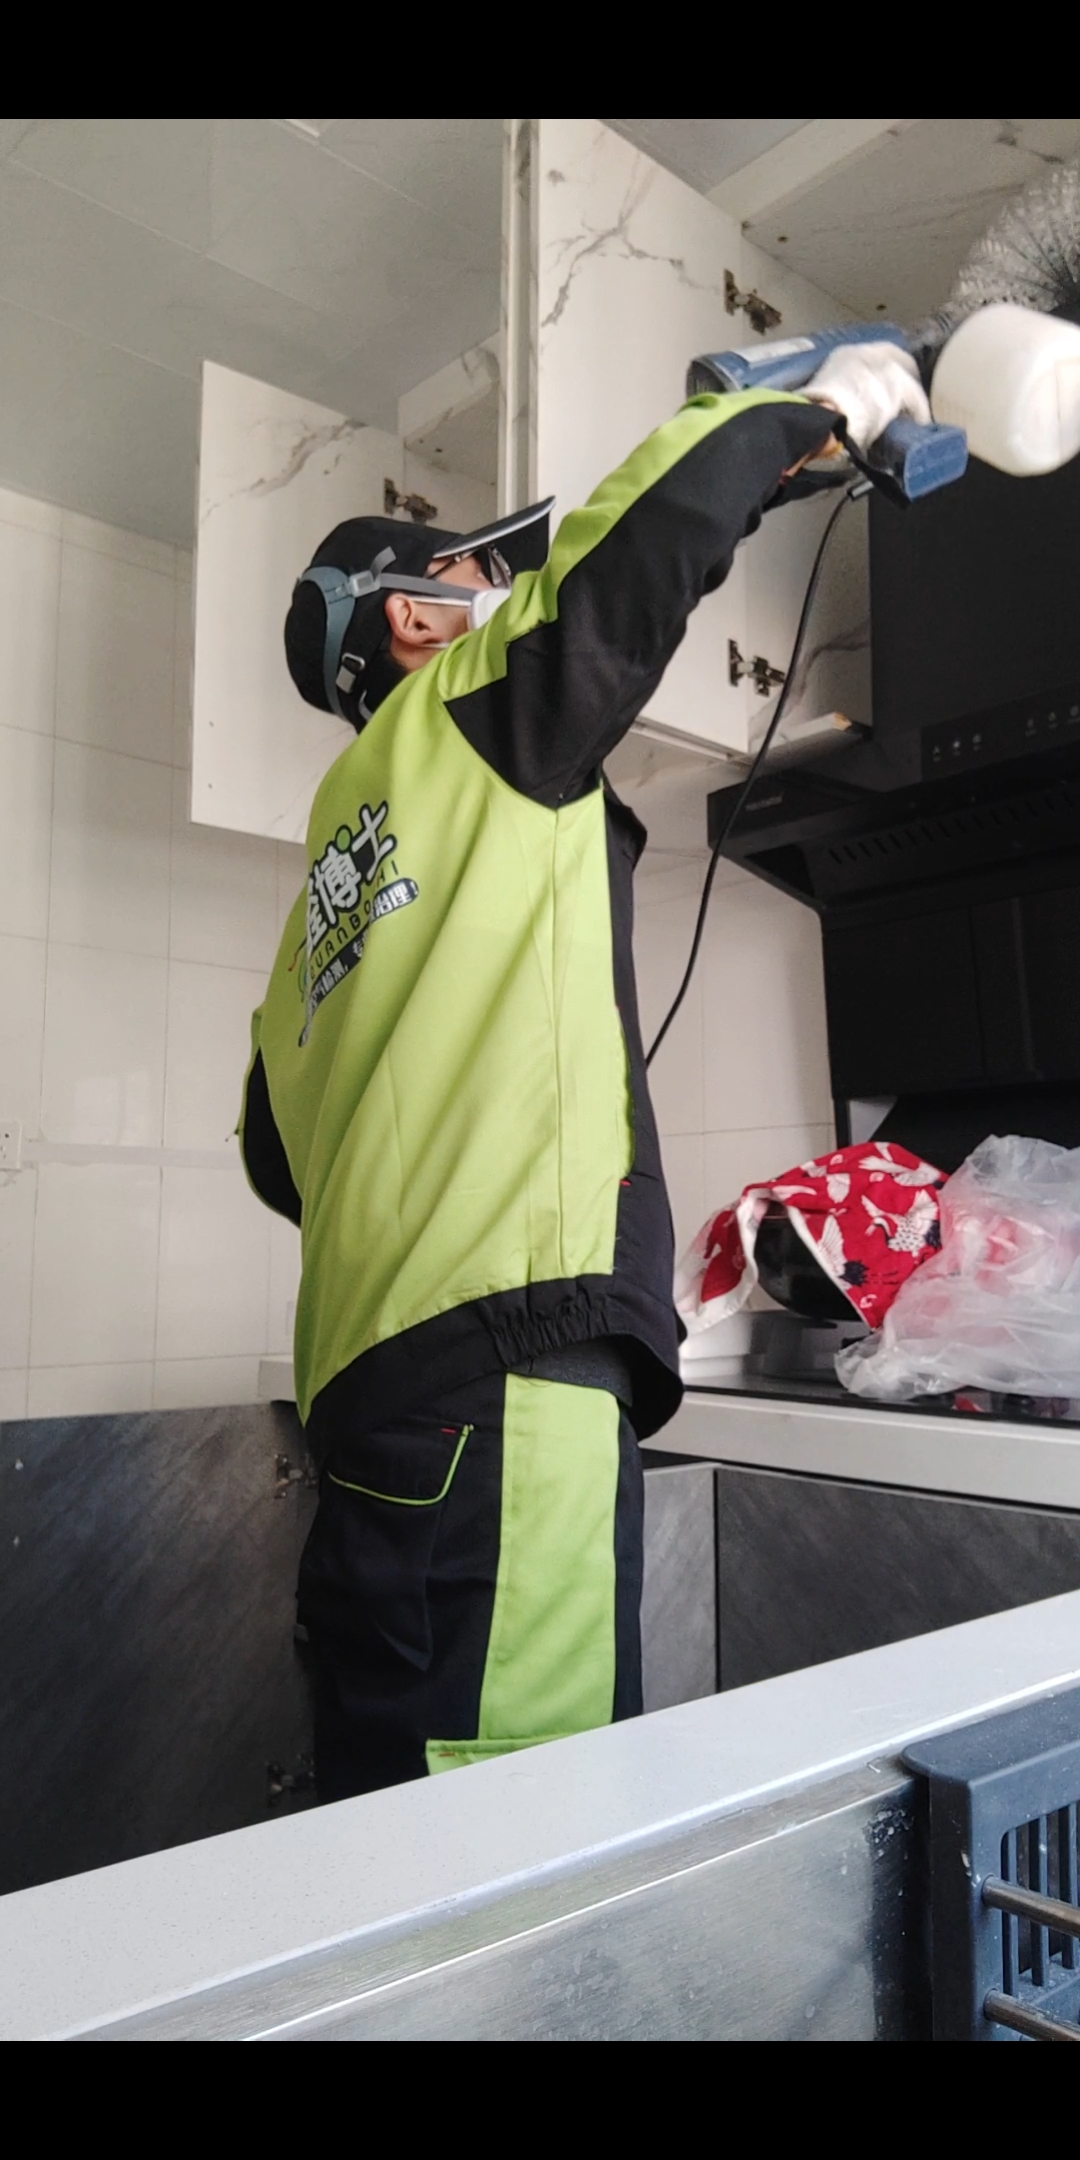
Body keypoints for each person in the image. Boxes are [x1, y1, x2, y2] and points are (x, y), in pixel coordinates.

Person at [240, 353, 929, 1799]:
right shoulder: (470, 718)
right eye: (471, 581)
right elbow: (634, 555)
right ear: (414, 619)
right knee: (516, 1826)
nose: (502, 598)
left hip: (376, 1410)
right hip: (505, 1378)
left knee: (393, 1800)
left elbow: (274, 1160)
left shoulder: (318, 910)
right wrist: (806, 411)